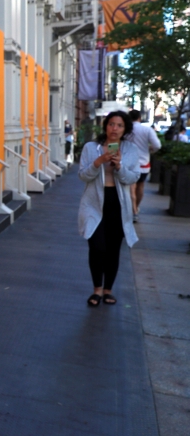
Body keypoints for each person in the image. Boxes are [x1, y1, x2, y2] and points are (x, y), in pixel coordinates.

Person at [78, 111, 139, 307]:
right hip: (94, 202)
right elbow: (83, 176)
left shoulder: (130, 150)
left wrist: (119, 167)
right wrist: (99, 162)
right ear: (105, 126)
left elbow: (133, 177)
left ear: (125, 129)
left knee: (113, 249)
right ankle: (96, 289)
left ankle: (108, 290)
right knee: (97, 246)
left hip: (118, 204)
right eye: (112, 124)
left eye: (120, 125)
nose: (115, 128)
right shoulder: (91, 148)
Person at [126, 109, 160, 222]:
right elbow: (157, 145)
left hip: (129, 163)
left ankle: (134, 211)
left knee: (131, 188)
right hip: (144, 164)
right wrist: (150, 149)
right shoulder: (147, 130)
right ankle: (136, 207)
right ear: (140, 118)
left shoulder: (126, 129)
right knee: (140, 186)